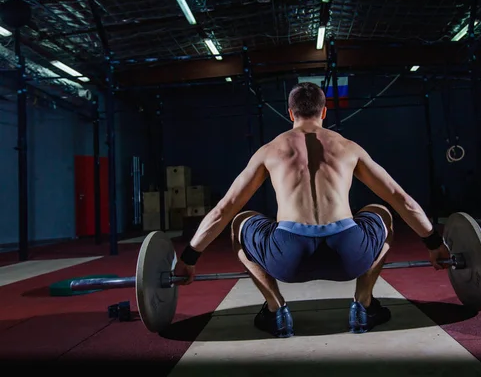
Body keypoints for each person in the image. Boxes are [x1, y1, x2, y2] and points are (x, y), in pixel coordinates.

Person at [174, 82, 450, 338]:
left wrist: (189, 258)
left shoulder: (269, 150)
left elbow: (223, 210)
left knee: (239, 221)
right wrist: (434, 242)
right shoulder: (348, 147)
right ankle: (363, 304)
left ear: (290, 113)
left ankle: (275, 310)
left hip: (288, 258)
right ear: (324, 111)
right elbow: (401, 198)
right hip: (348, 255)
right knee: (383, 211)